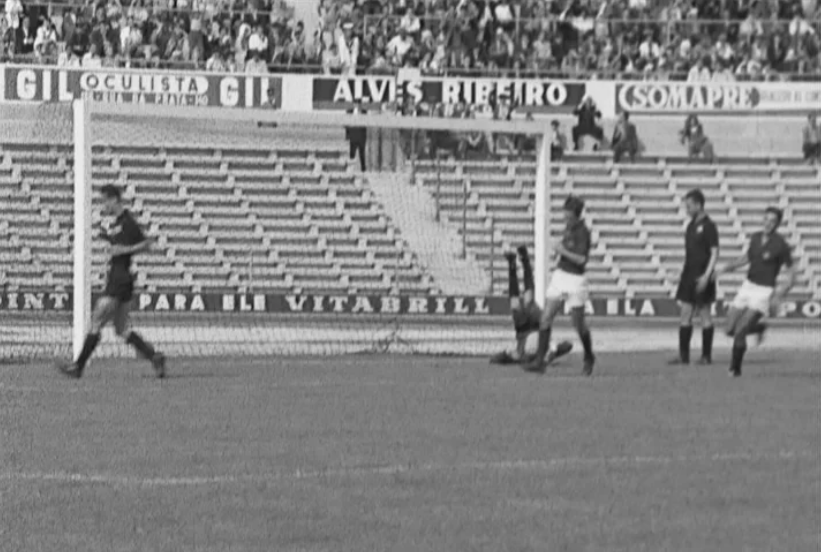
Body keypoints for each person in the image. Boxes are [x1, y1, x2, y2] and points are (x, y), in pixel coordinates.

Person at [58, 185, 166, 379]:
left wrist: (121, 250)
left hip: (119, 280)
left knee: (96, 320)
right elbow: (121, 244)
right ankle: (154, 356)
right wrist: (108, 238)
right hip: (121, 279)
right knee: (121, 328)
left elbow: (147, 244)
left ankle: (78, 367)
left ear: (114, 199)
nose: (103, 205)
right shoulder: (117, 223)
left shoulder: (128, 222)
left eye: (104, 200)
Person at [713, 207, 796, 377]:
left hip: (764, 291)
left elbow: (791, 273)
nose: (768, 223)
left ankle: (734, 369)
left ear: (778, 224)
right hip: (747, 287)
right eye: (766, 219)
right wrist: (725, 269)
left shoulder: (781, 245)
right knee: (729, 329)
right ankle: (759, 328)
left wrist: (780, 294)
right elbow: (747, 258)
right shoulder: (756, 237)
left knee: (741, 328)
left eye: (772, 221)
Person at [522, 196, 596, 376]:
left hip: (576, 281)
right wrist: (560, 255)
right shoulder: (569, 227)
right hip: (560, 276)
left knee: (578, 324)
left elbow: (581, 260)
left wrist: (562, 250)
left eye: (567, 214)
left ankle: (589, 356)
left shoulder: (583, 232)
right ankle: (540, 361)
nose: (564, 216)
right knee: (546, 316)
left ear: (574, 214)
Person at [490, 246, 573, 366]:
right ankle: (524, 260)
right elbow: (568, 345)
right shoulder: (546, 353)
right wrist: (553, 350)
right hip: (537, 325)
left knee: (516, 305)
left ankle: (512, 264)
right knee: (528, 302)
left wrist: (505, 356)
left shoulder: (521, 355)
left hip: (523, 331)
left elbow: (497, 358)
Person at [670, 189, 719, 366]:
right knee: (685, 313)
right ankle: (684, 356)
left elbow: (714, 253)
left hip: (702, 276)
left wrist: (707, 276)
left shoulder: (709, 226)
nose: (687, 210)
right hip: (688, 275)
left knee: (704, 314)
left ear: (699, 205)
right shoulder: (690, 225)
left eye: (689, 206)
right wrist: (681, 273)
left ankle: (706, 356)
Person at [346, 100, 367, 171]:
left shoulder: (364, 112)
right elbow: (346, 124)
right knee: (352, 154)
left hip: (361, 137)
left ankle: (363, 170)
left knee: (362, 155)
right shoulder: (349, 112)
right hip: (353, 136)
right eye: (355, 103)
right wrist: (348, 135)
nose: (356, 105)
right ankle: (350, 170)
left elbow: (366, 124)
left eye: (358, 104)